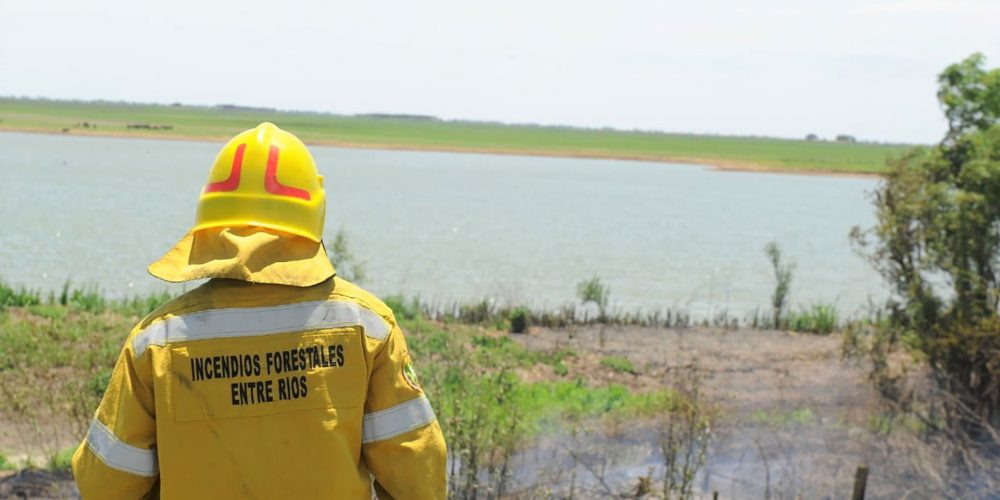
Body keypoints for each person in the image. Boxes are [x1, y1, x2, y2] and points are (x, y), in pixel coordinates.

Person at [71, 122, 447, 499]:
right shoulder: (368, 328)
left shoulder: (155, 343)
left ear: (210, 216)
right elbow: (418, 473)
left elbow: (105, 483)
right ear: (313, 213)